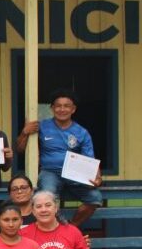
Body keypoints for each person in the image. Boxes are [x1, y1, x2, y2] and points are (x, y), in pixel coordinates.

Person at [16, 89, 102, 226]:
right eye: (58, 105)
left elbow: (90, 160)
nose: (62, 109)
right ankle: (61, 226)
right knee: (46, 198)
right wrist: (25, 132)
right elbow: (20, 149)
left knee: (95, 198)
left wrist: (97, 178)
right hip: (50, 172)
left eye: (66, 106)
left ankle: (72, 227)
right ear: (52, 108)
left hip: (74, 174)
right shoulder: (42, 126)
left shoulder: (81, 132)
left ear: (73, 109)